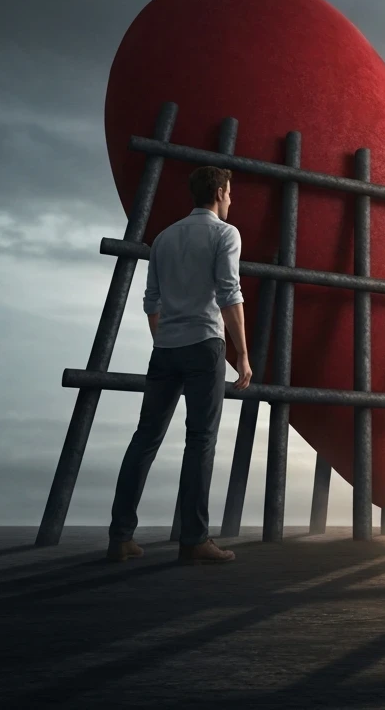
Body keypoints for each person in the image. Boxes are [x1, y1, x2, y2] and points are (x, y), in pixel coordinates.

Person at [107, 166, 253, 565]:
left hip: (166, 349)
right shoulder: (226, 234)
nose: (231, 199)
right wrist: (241, 353)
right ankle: (193, 540)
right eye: (230, 192)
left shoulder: (164, 238)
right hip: (205, 345)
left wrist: (163, 339)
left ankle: (120, 536)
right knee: (200, 440)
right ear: (221, 191)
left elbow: (150, 300)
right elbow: (229, 293)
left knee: (145, 437)